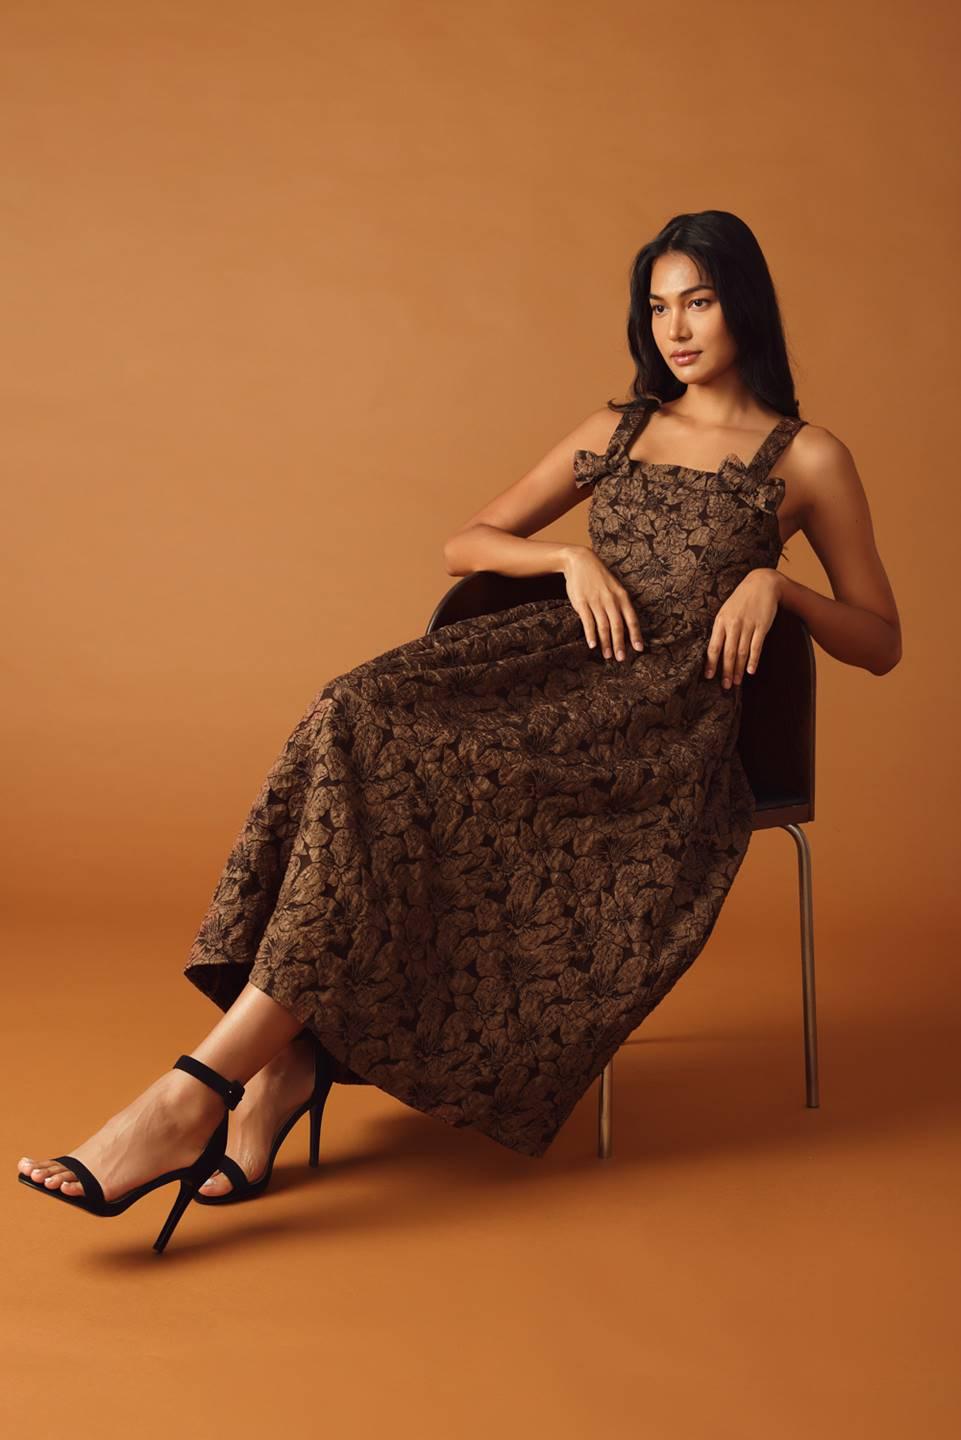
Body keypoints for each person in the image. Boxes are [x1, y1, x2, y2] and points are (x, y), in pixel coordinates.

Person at [16, 209, 902, 1246]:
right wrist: (567, 560)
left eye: (697, 302)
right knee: (358, 713)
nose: (676, 328)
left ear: (741, 302)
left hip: (654, 740)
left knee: (438, 777)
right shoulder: (614, 431)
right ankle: (268, 1069)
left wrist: (773, 583)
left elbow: (879, 640)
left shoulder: (808, 457)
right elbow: (465, 541)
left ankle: (201, 1092)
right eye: (657, 307)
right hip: (554, 674)